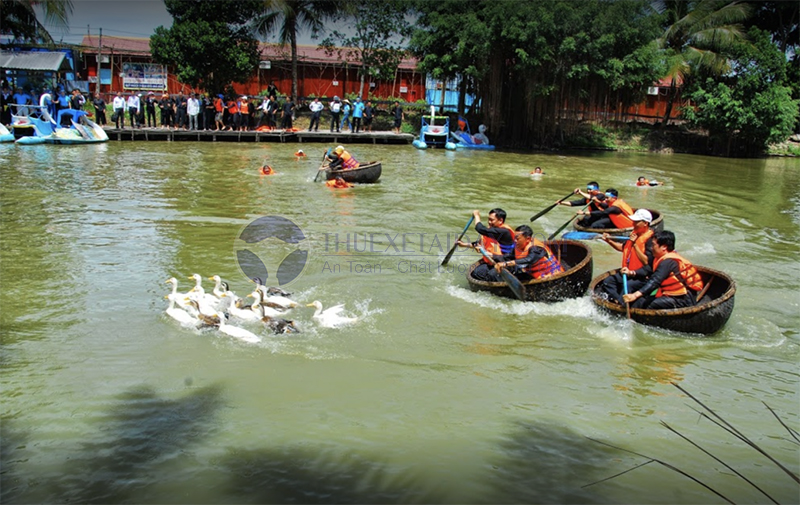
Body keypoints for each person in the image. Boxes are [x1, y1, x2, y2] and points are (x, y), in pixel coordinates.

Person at [622, 230, 704, 310]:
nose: (651, 248)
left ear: (664, 247)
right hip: (673, 295)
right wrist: (631, 272)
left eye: (653, 245)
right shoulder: (659, 258)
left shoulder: (668, 262)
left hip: (683, 299)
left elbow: (655, 281)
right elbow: (647, 270)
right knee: (641, 300)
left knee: (641, 303)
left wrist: (635, 295)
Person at [598, 209, 656, 305]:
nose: (633, 224)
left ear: (645, 223)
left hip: (641, 276)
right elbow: (622, 247)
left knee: (629, 286)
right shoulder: (634, 235)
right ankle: (618, 301)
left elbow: (646, 261)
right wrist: (609, 241)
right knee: (608, 282)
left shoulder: (651, 240)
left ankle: (621, 305)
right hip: (627, 272)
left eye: (636, 222)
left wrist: (635, 245)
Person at [454, 209, 515, 282]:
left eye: (492, 220)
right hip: (493, 262)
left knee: (492, 275)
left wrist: (476, 216)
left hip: (506, 264)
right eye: (488, 219)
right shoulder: (493, 231)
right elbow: (478, 244)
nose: (489, 222)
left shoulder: (504, 232)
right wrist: (463, 244)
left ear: (500, 221)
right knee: (476, 273)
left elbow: (480, 229)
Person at [492, 225, 563, 282]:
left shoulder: (536, 248)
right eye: (514, 238)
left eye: (517, 238)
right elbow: (509, 256)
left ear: (528, 239)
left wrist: (506, 264)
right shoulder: (519, 246)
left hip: (550, 276)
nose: (515, 241)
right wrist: (492, 256)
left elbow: (529, 259)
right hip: (533, 274)